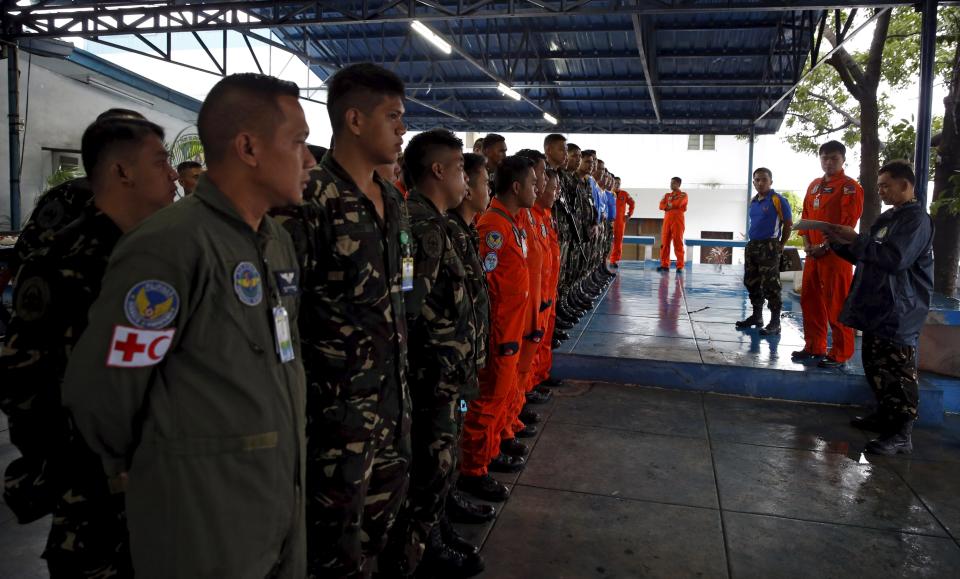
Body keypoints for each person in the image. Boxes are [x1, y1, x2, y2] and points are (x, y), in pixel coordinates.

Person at [61, 73, 315, 578]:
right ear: (248, 147)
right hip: (203, 523)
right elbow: (104, 392)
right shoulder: (171, 246)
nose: (310, 161)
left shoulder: (273, 242)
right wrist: (158, 468)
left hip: (275, 505)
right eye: (298, 142)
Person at [0, 116, 177, 578]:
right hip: (92, 491)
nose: (174, 174)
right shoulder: (65, 258)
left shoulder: (155, 252)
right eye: (161, 162)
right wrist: (76, 467)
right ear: (122, 173)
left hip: (158, 478)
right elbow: (24, 380)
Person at [271, 63, 412, 578]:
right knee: (329, 551)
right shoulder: (309, 201)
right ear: (354, 120)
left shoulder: (393, 201)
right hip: (332, 419)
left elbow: (403, 292)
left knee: (378, 528)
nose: (402, 129)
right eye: (393, 117)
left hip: (392, 404)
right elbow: (281, 315)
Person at [380, 129, 484, 578]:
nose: (467, 177)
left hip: (448, 370)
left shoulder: (439, 224)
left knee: (443, 460)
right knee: (429, 465)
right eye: (461, 167)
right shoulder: (422, 228)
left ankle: (435, 531)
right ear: (438, 170)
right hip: (432, 374)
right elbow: (409, 311)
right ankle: (420, 553)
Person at [824, 161, 933, 455]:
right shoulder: (887, 219)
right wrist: (839, 243)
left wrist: (857, 239)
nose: (881, 191)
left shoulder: (916, 220)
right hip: (878, 305)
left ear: (905, 185)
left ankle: (901, 433)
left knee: (898, 372)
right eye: (880, 185)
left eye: (886, 185)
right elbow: (869, 254)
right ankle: (885, 415)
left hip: (901, 309)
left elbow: (895, 258)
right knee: (875, 365)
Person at [459, 155, 537, 503]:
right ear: (517, 187)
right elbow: (485, 289)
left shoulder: (513, 222)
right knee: (487, 403)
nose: (538, 189)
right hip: (499, 331)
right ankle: (472, 471)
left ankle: (488, 455)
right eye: (534, 183)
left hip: (513, 327)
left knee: (501, 397)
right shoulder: (494, 227)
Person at [444, 152, 497, 527]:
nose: (481, 188)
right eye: (481, 182)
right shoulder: (443, 231)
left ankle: (449, 499)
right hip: (445, 364)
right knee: (441, 444)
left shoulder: (465, 230)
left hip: (463, 359)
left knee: (454, 434)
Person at [792, 141, 864, 368]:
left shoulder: (850, 187)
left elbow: (847, 225)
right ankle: (814, 346)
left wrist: (825, 247)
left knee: (837, 304)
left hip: (836, 257)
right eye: (824, 158)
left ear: (843, 159)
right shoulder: (814, 185)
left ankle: (840, 353)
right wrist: (807, 245)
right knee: (809, 300)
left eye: (833, 158)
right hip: (813, 255)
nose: (828, 162)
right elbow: (804, 217)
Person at [736, 168, 793, 335]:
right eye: (757, 180)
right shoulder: (753, 201)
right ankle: (757, 316)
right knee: (751, 281)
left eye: (764, 180)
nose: (760, 183)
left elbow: (788, 224)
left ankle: (775, 322)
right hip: (753, 245)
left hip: (769, 246)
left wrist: (780, 244)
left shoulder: (778, 200)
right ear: (753, 182)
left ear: (771, 182)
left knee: (771, 285)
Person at [658, 177, 687, 272]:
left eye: (673, 183)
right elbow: (661, 205)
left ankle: (680, 266)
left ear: (679, 184)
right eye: (670, 183)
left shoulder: (683, 195)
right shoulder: (666, 195)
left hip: (678, 221)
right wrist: (668, 206)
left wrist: (669, 205)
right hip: (667, 221)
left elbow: (678, 204)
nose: (671, 185)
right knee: (665, 243)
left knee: (678, 242)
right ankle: (664, 265)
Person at [609, 176, 635, 267]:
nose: (617, 185)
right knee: (605, 241)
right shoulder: (608, 193)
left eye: (618, 183)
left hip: (620, 221)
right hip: (608, 221)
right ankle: (601, 261)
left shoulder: (624, 194)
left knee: (618, 242)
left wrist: (629, 214)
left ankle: (614, 261)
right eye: (615, 183)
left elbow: (632, 203)